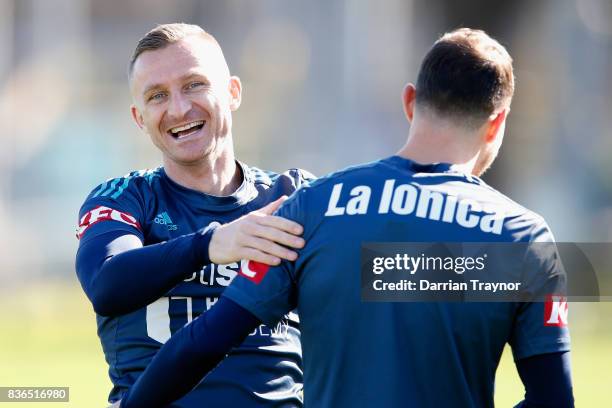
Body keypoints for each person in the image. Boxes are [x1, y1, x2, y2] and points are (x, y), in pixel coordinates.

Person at [117, 28, 574, 408]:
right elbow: (554, 400)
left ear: (410, 102)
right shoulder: (521, 238)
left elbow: (203, 343)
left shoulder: (314, 207)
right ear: (497, 123)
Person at [75, 23, 314, 407]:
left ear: (232, 92)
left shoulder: (294, 196)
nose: (179, 109)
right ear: (139, 118)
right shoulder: (126, 198)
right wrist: (212, 244)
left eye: (193, 85)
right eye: (157, 96)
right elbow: (106, 282)